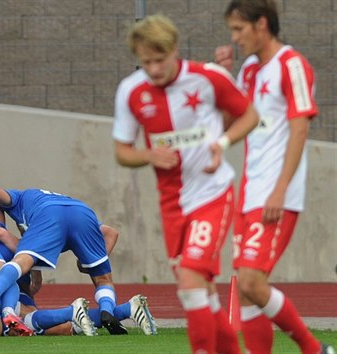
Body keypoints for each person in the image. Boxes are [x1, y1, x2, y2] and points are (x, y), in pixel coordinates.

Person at [113, 14, 259, 353]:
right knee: (202, 293)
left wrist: (221, 144)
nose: (153, 68)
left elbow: (249, 115)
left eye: (159, 60)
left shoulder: (207, 78)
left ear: (175, 50)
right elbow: (122, 151)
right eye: (145, 61)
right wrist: (149, 155)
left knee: (191, 280)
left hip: (212, 193)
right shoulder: (131, 92)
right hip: (172, 204)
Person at [215, 1, 334, 353]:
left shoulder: (292, 65)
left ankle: (313, 348)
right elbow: (231, 122)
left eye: (239, 29)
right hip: (249, 192)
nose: (234, 38)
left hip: (277, 193)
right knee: (250, 292)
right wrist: (225, 77)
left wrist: (280, 190)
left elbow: (299, 132)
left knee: (252, 280)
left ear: (261, 25)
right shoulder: (250, 69)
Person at [0, 187, 136, 336]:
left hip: (44, 220)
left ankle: (0, 301)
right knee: (103, 280)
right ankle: (111, 311)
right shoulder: (46, 203)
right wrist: (88, 262)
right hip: (82, 211)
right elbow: (111, 233)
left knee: (19, 280)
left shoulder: (18, 199)